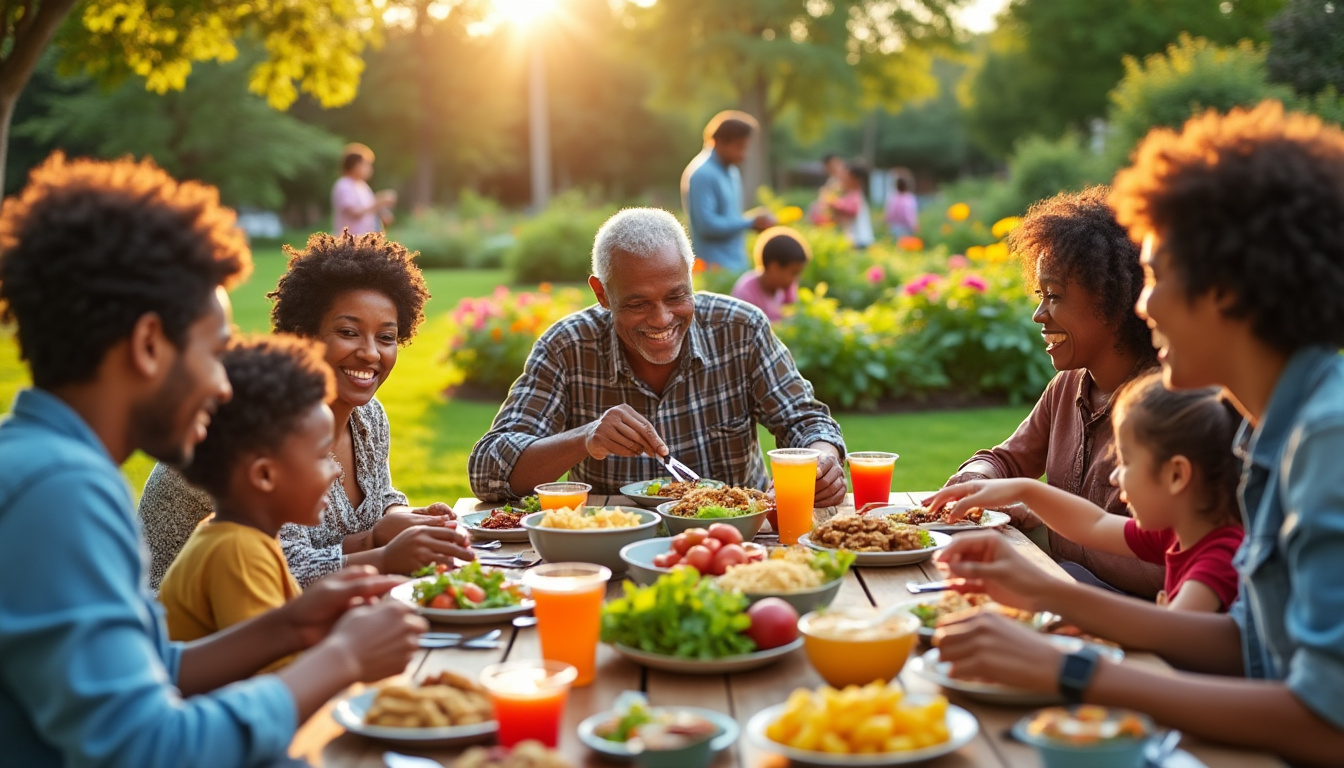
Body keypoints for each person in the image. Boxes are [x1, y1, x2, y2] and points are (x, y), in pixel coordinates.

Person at [930, 102, 1344, 764]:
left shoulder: (1325, 442)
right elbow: (1250, 644)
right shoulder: (1277, 432)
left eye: (1155, 276)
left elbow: (1329, 723)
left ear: (1223, 290)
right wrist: (1042, 592)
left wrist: (1071, 670)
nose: (1142, 305)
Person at [0, 154, 425, 767]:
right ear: (149, 345)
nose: (225, 387)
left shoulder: (52, 464)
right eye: (214, 352)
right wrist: (343, 659)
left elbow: (156, 666)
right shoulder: (59, 491)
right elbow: (148, 747)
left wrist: (293, 626)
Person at [139, 231, 472, 590]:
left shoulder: (368, 417)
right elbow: (282, 571)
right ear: (302, 335)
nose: (372, 353)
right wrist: (379, 547)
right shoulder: (255, 426)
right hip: (186, 630)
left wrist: (402, 517)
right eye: (349, 332)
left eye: (386, 337)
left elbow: (379, 499)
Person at [469, 207, 847, 506]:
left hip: (737, 542)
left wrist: (822, 460)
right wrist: (585, 438)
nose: (662, 319)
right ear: (602, 294)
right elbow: (488, 469)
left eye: (676, 296)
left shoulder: (741, 329)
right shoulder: (567, 347)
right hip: (616, 548)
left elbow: (805, 419)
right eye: (637, 303)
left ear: (691, 276)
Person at [944, 186, 1163, 599]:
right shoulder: (1069, 385)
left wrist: (1040, 514)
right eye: (1040, 295)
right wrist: (975, 482)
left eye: (1055, 296)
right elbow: (1003, 460)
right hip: (1068, 597)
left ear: (1114, 302)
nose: (1039, 314)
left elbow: (1164, 562)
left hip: (1140, 621)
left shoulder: (1164, 405)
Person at [928, 373, 1243, 612]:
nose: (1117, 477)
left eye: (1126, 462)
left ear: (1176, 475)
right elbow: (1092, 524)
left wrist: (1046, 593)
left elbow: (1171, 635)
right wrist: (1020, 487)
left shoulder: (1218, 557)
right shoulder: (1177, 533)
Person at [159, 336, 339, 662]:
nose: (335, 472)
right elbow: (279, 680)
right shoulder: (238, 552)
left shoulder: (244, 537)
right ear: (264, 476)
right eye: (323, 456)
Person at [681, 111, 775, 272]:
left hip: (736, 263)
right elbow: (707, 225)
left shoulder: (731, 171)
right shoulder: (702, 174)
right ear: (719, 142)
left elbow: (730, 218)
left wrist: (752, 223)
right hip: (714, 268)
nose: (743, 155)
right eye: (739, 147)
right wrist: (749, 222)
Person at [730, 226, 809, 322]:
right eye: (794, 273)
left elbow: (792, 314)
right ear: (774, 268)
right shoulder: (746, 292)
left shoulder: (786, 287)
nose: (796, 279)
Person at [332, 142, 396, 236]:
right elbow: (354, 212)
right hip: (348, 244)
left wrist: (382, 212)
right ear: (355, 165)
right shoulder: (344, 185)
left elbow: (370, 209)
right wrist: (378, 202)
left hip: (363, 243)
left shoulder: (363, 186)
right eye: (366, 164)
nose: (370, 169)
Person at [827, 163, 874, 248]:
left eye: (846, 176)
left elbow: (852, 210)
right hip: (855, 240)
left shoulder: (856, 195)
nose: (843, 178)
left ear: (855, 179)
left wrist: (834, 205)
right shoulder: (849, 195)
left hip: (860, 240)